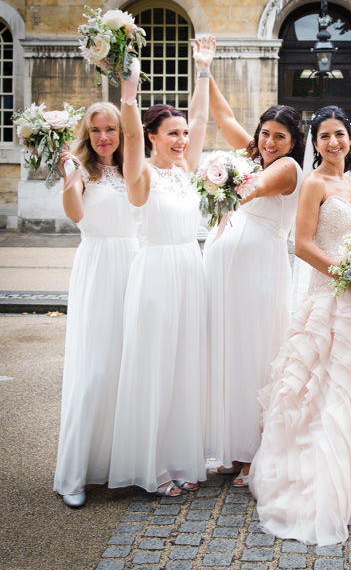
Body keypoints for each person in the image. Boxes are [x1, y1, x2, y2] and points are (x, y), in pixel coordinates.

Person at [249, 106, 351, 546]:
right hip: (328, 299)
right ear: (314, 143)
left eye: (339, 134)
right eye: (324, 137)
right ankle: (321, 483)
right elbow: (302, 245)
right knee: (324, 389)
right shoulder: (314, 184)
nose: (333, 143)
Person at [108, 36, 215, 497]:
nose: (183, 140)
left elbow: (203, 119)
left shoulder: (186, 169)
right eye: (173, 133)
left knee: (183, 366)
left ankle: (177, 458)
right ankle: (151, 469)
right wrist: (128, 98)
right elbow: (129, 136)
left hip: (190, 269)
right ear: (154, 136)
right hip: (154, 274)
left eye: (184, 135)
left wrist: (203, 68)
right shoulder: (143, 174)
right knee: (155, 366)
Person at [203, 78, 305, 487]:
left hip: (259, 272)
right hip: (225, 272)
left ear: (293, 142)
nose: (269, 141)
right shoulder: (255, 155)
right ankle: (230, 447)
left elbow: (251, 189)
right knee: (227, 352)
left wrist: (219, 179)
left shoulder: (286, 169)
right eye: (264, 133)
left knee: (255, 354)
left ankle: (255, 452)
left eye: (279, 136)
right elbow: (224, 116)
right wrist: (205, 71)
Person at [54, 102, 138, 508]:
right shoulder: (82, 171)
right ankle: (76, 472)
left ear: (122, 133)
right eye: (96, 131)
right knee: (96, 367)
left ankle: (119, 462)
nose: (104, 137)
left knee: (128, 365)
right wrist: (70, 178)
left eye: (111, 130)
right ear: (87, 136)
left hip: (135, 265)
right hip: (99, 266)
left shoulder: (132, 170)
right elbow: (75, 214)